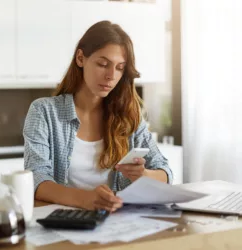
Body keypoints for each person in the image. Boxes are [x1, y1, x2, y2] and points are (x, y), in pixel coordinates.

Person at [23, 20, 172, 212]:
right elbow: (37, 179)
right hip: (65, 223)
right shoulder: (44, 112)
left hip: (117, 223)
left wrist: (144, 175)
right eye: (103, 64)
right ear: (80, 58)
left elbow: (165, 173)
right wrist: (86, 199)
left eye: (119, 68)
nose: (111, 75)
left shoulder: (128, 115)